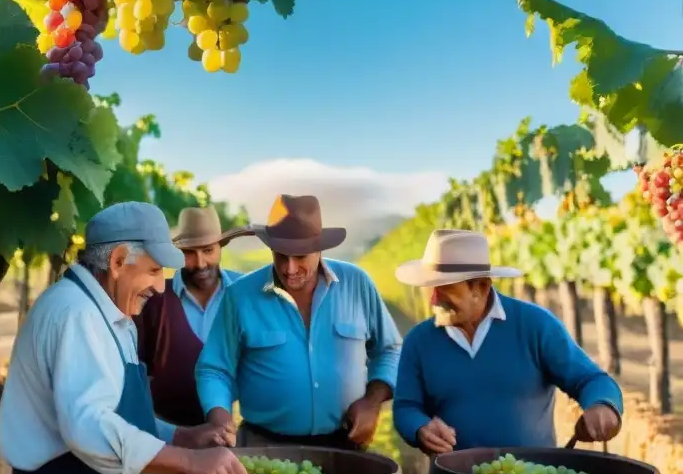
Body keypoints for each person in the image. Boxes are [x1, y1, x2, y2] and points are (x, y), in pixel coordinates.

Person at [0, 201, 248, 474]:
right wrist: (187, 463)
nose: (161, 285)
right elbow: (90, 425)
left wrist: (182, 436)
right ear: (117, 261)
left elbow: (118, 411)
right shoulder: (76, 315)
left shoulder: (112, 315)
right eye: (153, 270)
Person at [196, 194, 403, 450]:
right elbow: (215, 368)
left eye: (301, 257)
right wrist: (219, 417)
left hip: (346, 443)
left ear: (320, 248)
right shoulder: (240, 296)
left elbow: (389, 350)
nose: (290, 268)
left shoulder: (357, 284)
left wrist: (372, 403)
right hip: (263, 446)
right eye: (281, 256)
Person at [392, 229, 623, 455]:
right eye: (430, 288)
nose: (434, 299)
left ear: (480, 287)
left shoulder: (535, 326)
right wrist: (419, 428)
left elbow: (590, 379)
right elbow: (406, 407)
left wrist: (603, 404)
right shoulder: (418, 342)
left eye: (445, 289)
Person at [135, 206, 252, 474]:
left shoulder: (244, 295)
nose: (200, 263)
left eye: (208, 251)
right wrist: (147, 433)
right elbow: (139, 374)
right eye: (189, 252)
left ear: (221, 248)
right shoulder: (155, 300)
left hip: (228, 441)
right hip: (167, 440)